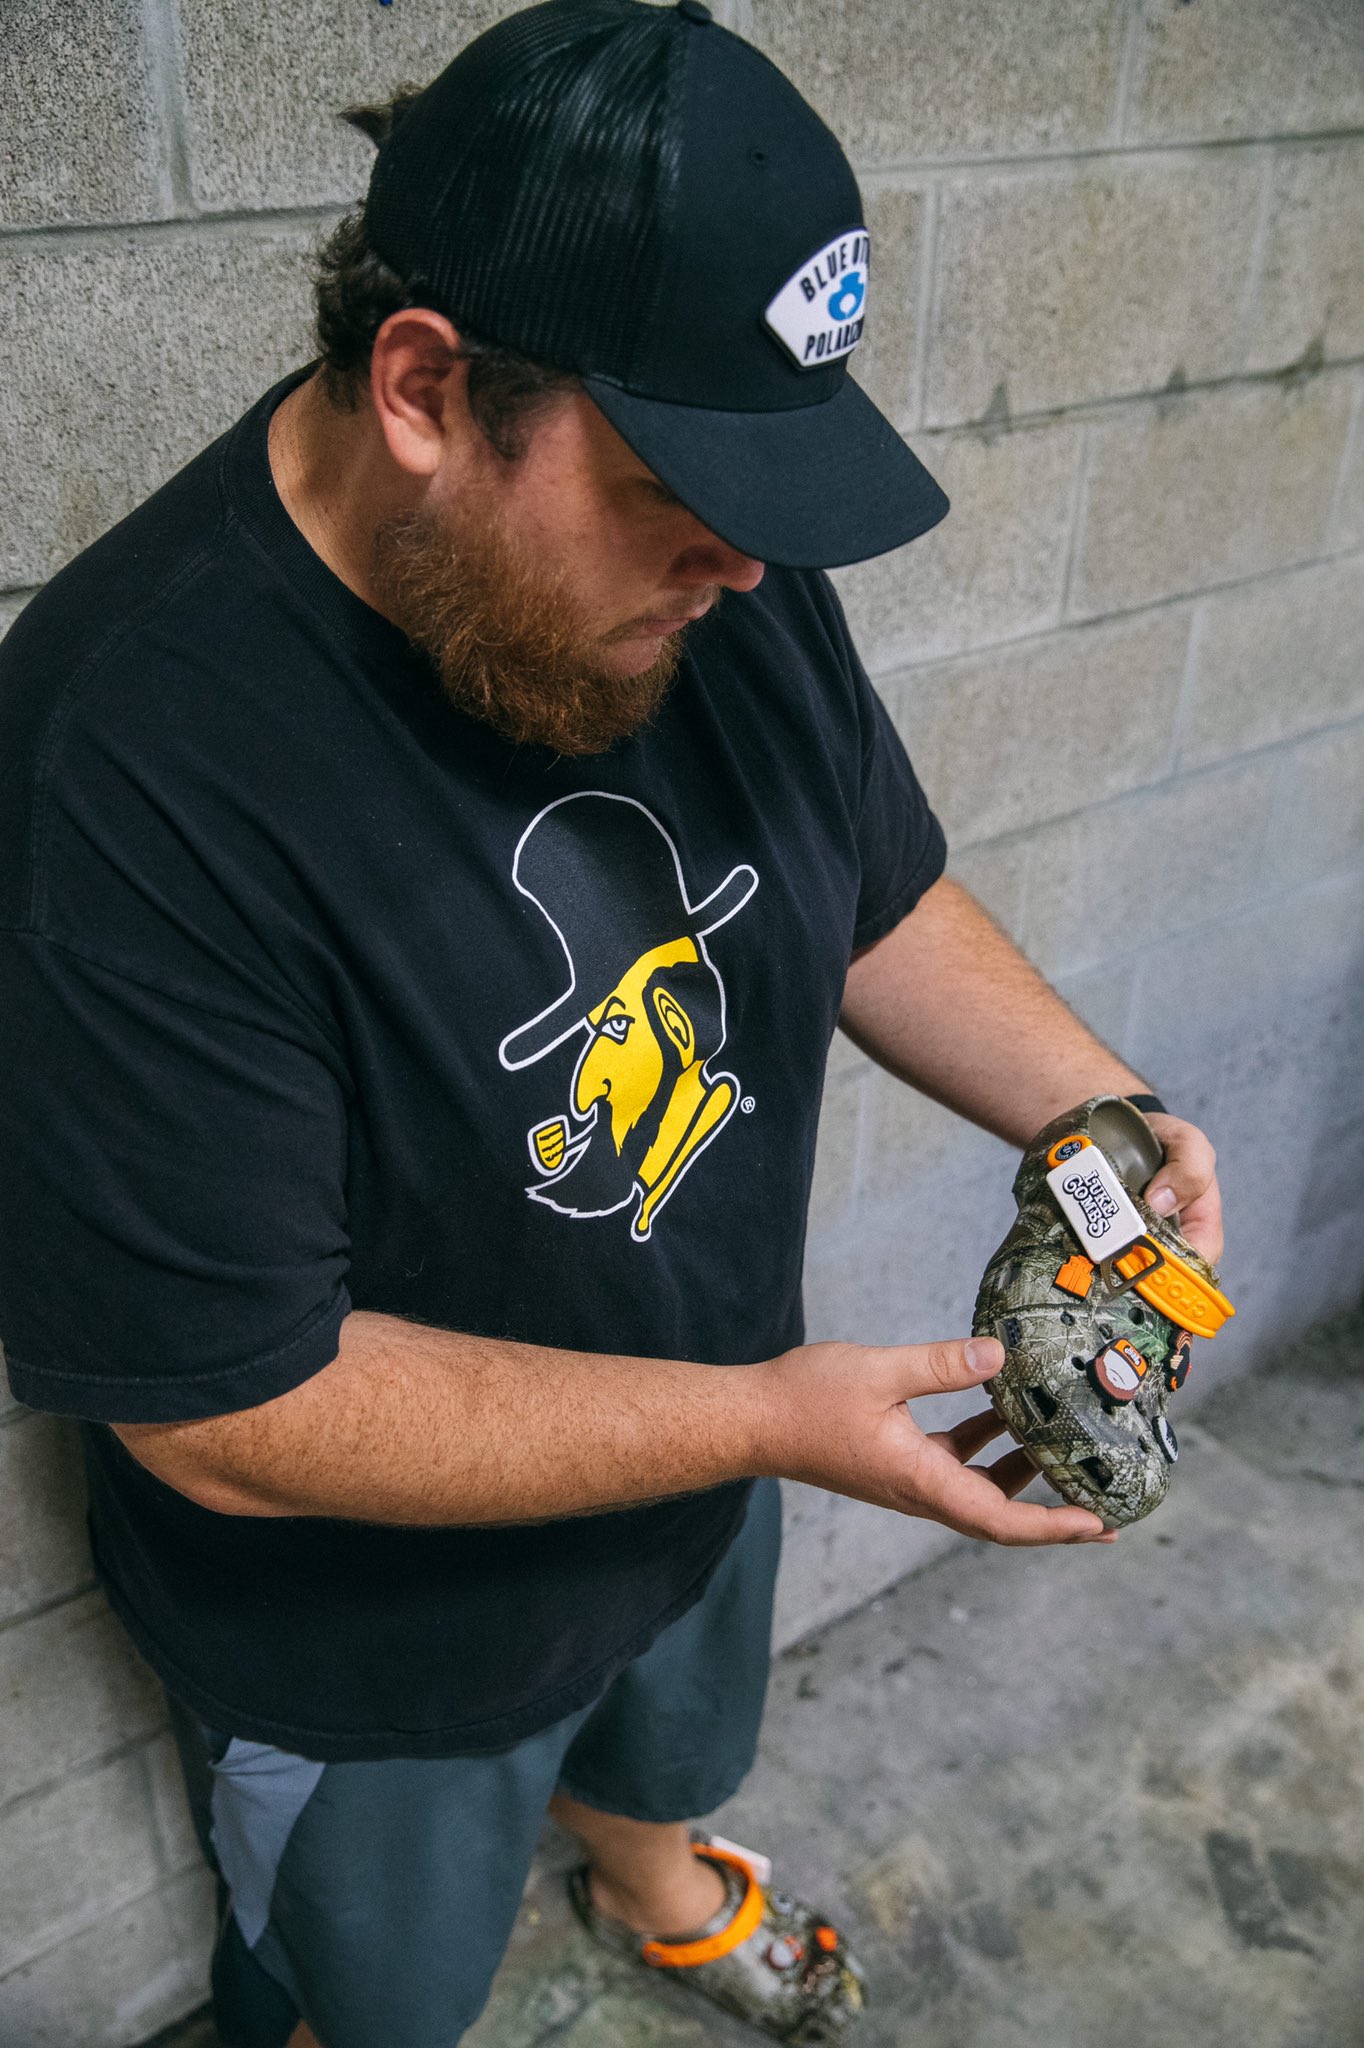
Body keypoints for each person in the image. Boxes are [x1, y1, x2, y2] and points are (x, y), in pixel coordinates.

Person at [0, 4, 1223, 2045]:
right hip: (387, 1634)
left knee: (671, 1750)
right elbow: (224, 1415)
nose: (743, 565)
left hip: (706, 1436)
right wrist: (776, 1415)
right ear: (426, 389)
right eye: (675, 491)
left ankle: (654, 1876)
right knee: (370, 2000)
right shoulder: (135, 761)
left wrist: (1097, 1106)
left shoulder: (713, 558)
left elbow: (871, 884)